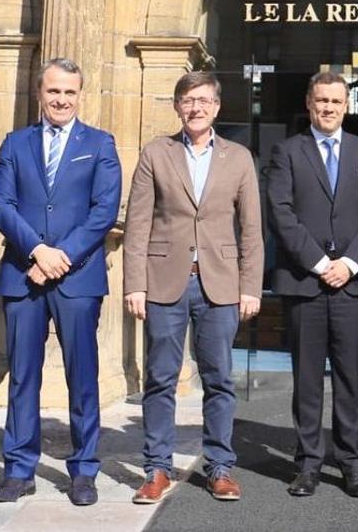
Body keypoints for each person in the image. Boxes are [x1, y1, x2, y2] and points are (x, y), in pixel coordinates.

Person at [0, 58, 122, 505]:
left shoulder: (100, 144)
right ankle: (18, 470)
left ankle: (83, 471)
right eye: (53, 92)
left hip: (77, 278)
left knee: (83, 375)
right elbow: (1, 204)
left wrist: (60, 256)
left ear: (80, 95)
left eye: (70, 92)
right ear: (39, 94)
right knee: (23, 376)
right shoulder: (15, 142)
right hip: (24, 274)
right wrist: (37, 251)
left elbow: (104, 211)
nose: (61, 100)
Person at [122, 72, 264, 504]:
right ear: (177, 106)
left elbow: (252, 228)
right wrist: (135, 284)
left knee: (219, 378)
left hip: (220, 284)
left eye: (204, 100)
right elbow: (138, 223)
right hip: (166, 280)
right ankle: (157, 468)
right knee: (160, 379)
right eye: (188, 100)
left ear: (217, 107)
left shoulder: (238, 157)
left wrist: (251, 285)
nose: (196, 108)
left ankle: (220, 467)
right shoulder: (155, 153)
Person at [267, 71, 358, 499]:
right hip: (306, 283)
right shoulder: (288, 152)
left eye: (336, 101)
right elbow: (281, 213)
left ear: (347, 105)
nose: (329, 108)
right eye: (322, 101)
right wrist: (320, 263)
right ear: (309, 103)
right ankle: (308, 463)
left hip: (352, 285)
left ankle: (352, 463)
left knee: (350, 379)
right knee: (306, 379)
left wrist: (350, 263)